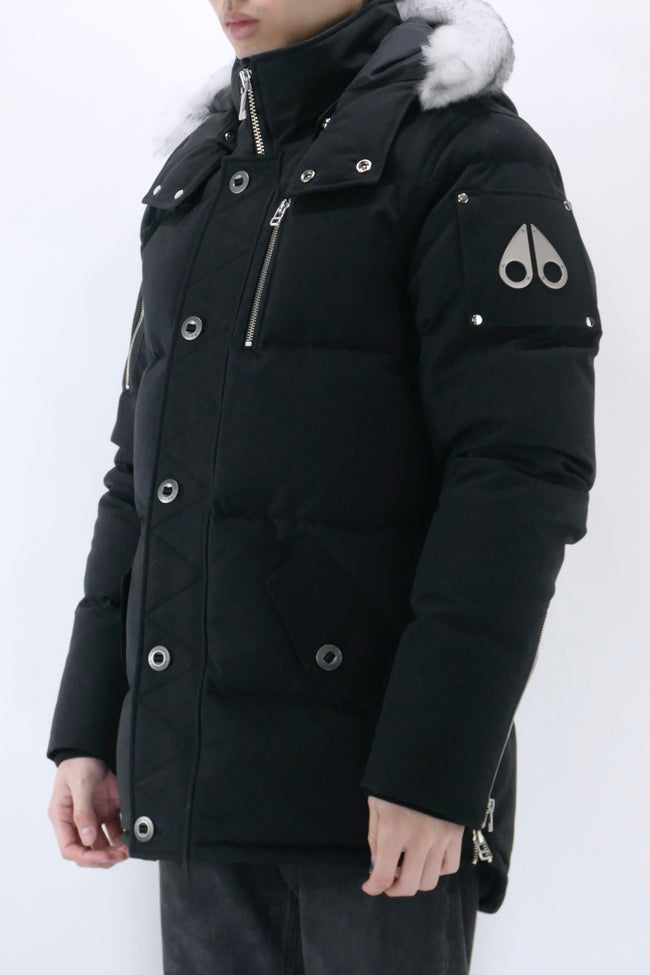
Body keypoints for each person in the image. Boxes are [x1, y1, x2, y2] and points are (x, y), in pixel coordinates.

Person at [46, 1, 602, 972]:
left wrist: (436, 766)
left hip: (376, 808)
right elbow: (139, 475)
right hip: (199, 787)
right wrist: (92, 724)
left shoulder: (466, 154)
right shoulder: (199, 178)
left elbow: (517, 474)